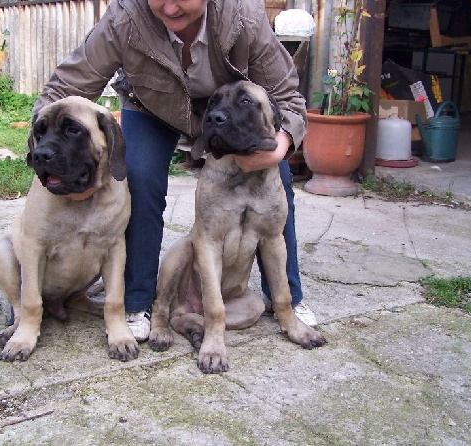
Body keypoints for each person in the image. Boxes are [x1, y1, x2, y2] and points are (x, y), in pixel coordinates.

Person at [34, 0, 319, 342]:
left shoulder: (244, 16)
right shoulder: (124, 19)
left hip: (225, 113)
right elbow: (65, 88)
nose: (169, 8)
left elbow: (286, 96)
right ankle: (139, 302)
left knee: (279, 178)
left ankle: (287, 300)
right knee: (138, 176)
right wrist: (46, 154)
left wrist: (282, 143)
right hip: (152, 109)